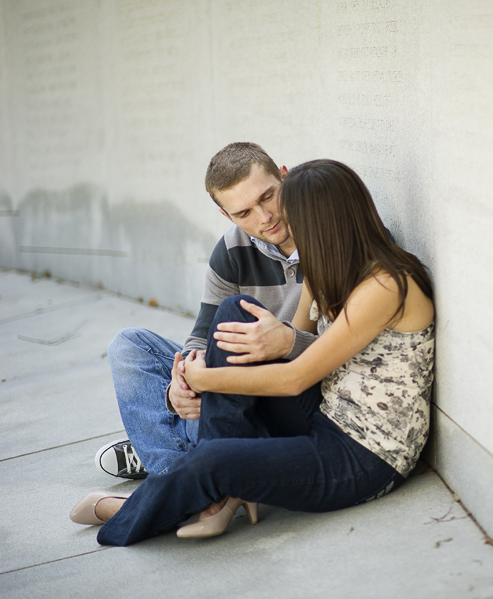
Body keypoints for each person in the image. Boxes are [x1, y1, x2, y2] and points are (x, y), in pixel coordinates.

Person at [70, 159, 435, 546]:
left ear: (325, 222)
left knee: (211, 463)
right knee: (235, 315)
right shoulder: (328, 267)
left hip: (366, 457)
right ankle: (218, 489)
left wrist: (206, 379)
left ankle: (143, 505)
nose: (277, 225)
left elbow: (296, 378)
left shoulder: (386, 285)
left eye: (291, 216)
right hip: (326, 416)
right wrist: (207, 369)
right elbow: (292, 340)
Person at [96, 142, 317, 479]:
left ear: (285, 177)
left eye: (267, 197)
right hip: (235, 386)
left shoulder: (329, 234)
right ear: (226, 216)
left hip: (287, 392)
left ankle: (169, 458)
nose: (264, 217)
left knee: (234, 324)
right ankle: (175, 462)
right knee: (129, 345)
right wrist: (180, 386)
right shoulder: (232, 249)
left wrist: (285, 342)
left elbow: (343, 347)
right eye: (243, 213)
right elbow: (202, 337)